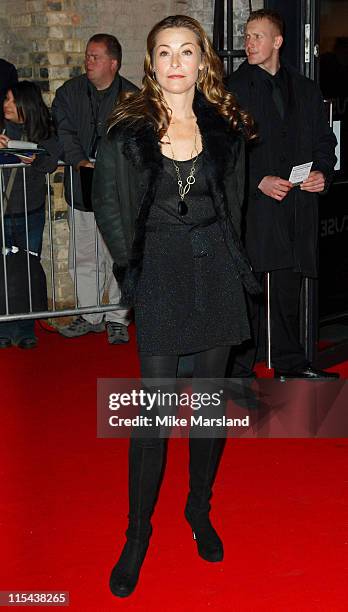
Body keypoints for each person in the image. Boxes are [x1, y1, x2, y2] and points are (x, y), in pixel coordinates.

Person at [92, 14, 259, 598]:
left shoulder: (225, 128)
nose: (176, 63)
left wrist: (229, 263)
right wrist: (129, 267)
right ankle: (137, 533)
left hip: (214, 269)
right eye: (165, 52)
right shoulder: (125, 130)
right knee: (156, 412)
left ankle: (198, 508)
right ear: (151, 62)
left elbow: (234, 206)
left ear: (202, 61)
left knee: (209, 405)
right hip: (159, 272)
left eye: (188, 52)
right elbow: (108, 204)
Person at [227, 9, 339, 380]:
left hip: (297, 207)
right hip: (254, 207)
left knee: (286, 287)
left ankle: (287, 365)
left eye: (257, 36)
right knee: (251, 287)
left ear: (277, 41)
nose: (248, 43)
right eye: (246, 36)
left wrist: (323, 171)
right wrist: (257, 179)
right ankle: (240, 370)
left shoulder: (305, 88)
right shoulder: (233, 89)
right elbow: (225, 149)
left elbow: (325, 140)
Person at [52, 33, 137, 344]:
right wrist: (79, 161)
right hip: (82, 187)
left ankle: (117, 317)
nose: (88, 61)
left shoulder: (133, 98)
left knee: (117, 256)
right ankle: (89, 314)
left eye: (95, 57)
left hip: (118, 191)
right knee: (84, 256)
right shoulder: (69, 93)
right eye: (87, 56)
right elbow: (64, 130)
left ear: (113, 64)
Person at [0, 81, 60, 349]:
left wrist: (33, 158)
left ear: (26, 104)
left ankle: (25, 328)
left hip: (30, 212)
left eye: (12, 101)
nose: (6, 105)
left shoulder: (44, 132)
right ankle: (3, 326)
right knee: (3, 271)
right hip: (2, 211)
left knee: (26, 270)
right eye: (6, 100)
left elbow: (51, 161)